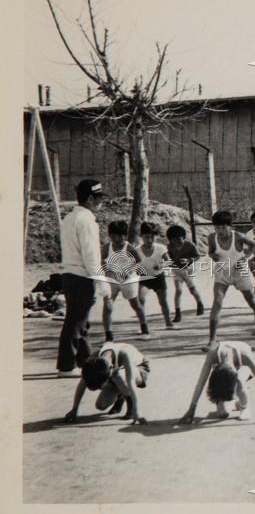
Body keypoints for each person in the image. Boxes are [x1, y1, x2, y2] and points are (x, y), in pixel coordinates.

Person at [56, 179, 105, 377]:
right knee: (76, 322)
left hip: (70, 274)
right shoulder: (86, 221)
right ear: (90, 198)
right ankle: (66, 366)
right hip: (82, 276)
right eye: (99, 198)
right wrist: (101, 281)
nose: (101, 202)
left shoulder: (69, 218)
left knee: (81, 320)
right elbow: (90, 255)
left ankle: (85, 361)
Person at [179, 340, 255, 424]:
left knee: (240, 380)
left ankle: (245, 406)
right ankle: (236, 402)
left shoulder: (244, 355)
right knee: (222, 414)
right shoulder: (212, 354)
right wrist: (191, 410)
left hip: (243, 367)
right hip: (223, 374)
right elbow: (200, 383)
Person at [206, 210, 255, 349]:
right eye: (217, 227)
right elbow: (210, 252)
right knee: (217, 303)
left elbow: (254, 244)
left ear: (230, 226)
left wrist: (245, 257)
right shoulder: (212, 237)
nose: (220, 230)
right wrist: (212, 256)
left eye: (223, 227)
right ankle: (212, 340)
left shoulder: (238, 236)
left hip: (240, 271)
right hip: (222, 271)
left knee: (252, 301)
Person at [64, 341, 149, 425]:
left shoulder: (124, 355)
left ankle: (130, 403)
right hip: (117, 374)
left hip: (139, 367)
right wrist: (74, 409)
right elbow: (81, 385)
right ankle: (121, 396)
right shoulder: (92, 360)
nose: (101, 388)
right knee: (101, 405)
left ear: (111, 369)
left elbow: (131, 383)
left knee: (118, 375)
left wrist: (137, 410)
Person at [98, 220, 150, 341]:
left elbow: (138, 262)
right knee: (108, 306)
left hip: (128, 280)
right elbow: (101, 262)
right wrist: (107, 272)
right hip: (112, 281)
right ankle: (109, 336)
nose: (121, 238)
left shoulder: (129, 247)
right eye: (118, 235)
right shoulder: (106, 248)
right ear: (111, 236)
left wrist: (128, 271)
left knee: (135, 304)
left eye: (123, 235)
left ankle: (145, 329)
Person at [135, 222, 176, 331]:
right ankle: (143, 325)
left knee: (163, 301)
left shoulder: (161, 248)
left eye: (152, 237)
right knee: (141, 299)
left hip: (158, 277)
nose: (149, 240)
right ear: (141, 236)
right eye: (146, 237)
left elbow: (169, 262)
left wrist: (161, 266)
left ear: (156, 236)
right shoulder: (137, 250)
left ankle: (168, 323)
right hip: (144, 278)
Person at [166, 225, 205, 322]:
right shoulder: (169, 247)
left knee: (192, 289)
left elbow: (197, 256)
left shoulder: (189, 245)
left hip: (188, 270)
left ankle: (200, 303)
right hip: (177, 271)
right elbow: (168, 259)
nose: (176, 242)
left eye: (179, 239)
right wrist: (169, 263)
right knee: (178, 290)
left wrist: (189, 260)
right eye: (173, 240)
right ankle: (177, 313)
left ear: (183, 237)